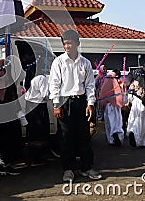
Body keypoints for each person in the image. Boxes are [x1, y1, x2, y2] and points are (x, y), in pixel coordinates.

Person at [49, 29, 102, 182]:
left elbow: (90, 85)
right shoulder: (58, 62)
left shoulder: (85, 63)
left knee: (84, 136)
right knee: (66, 138)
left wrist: (90, 104)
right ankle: (68, 169)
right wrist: (56, 105)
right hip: (65, 102)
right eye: (65, 43)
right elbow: (54, 85)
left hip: (81, 102)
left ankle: (87, 168)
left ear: (77, 44)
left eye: (70, 43)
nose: (67, 46)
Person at [126, 68, 145, 148]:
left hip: (136, 104)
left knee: (135, 120)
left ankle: (134, 134)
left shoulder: (133, 85)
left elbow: (130, 98)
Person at [24, 74, 51, 163]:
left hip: (29, 104)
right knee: (41, 131)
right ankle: (38, 156)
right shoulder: (42, 78)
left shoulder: (28, 78)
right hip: (39, 105)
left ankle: (30, 155)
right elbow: (45, 94)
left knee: (32, 130)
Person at [98, 69, 124, 146]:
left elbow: (101, 93)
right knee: (117, 121)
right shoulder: (116, 82)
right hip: (115, 104)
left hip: (107, 105)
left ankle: (111, 138)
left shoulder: (105, 81)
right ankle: (117, 134)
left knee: (108, 122)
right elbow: (120, 94)